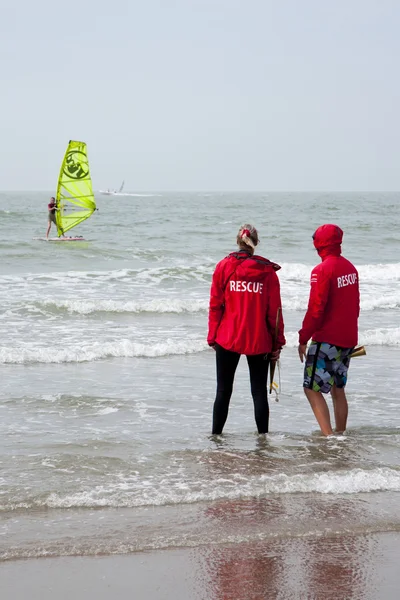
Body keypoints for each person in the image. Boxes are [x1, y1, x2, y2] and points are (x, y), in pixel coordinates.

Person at [208, 224, 285, 435]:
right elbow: (275, 313)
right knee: (259, 392)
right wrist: (277, 343)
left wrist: (212, 336)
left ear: (237, 242)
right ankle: (263, 443)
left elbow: (216, 305)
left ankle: (216, 440)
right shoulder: (267, 272)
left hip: (227, 337)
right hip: (258, 339)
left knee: (223, 391)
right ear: (256, 243)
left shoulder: (223, 266)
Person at [298, 224, 360, 436]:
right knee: (337, 388)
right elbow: (355, 305)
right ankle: (340, 433)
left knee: (311, 388)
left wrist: (303, 338)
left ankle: (329, 437)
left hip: (328, 339)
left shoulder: (322, 270)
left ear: (319, 244)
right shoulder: (351, 268)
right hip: (348, 338)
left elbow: (316, 309)